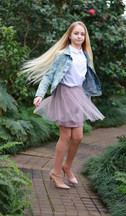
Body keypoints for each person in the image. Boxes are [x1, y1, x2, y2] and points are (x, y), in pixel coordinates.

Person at [22, 21, 104, 189]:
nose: (79, 36)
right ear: (69, 35)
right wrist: (39, 94)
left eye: (82, 34)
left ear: (85, 37)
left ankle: (67, 167)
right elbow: (49, 76)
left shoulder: (86, 56)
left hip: (78, 95)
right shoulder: (62, 55)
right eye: (76, 33)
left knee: (78, 137)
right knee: (65, 136)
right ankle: (56, 172)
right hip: (64, 95)